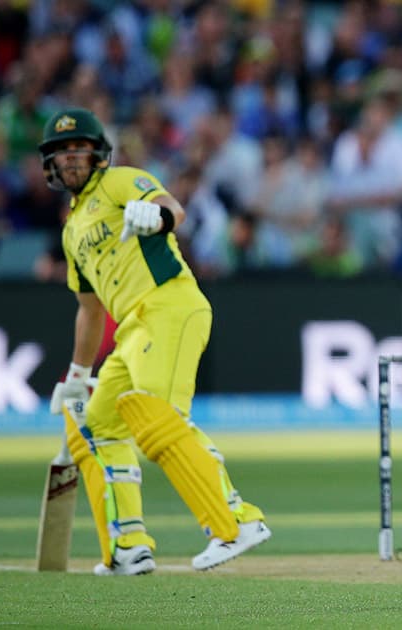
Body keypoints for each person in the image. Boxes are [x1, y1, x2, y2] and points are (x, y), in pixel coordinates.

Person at [40, 107, 271, 576]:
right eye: (61, 151)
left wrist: (156, 218)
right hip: (130, 329)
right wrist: (78, 376)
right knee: (97, 424)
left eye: (78, 147)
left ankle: (234, 521)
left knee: (154, 415)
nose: (70, 158)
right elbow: (89, 310)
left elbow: (173, 208)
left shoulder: (121, 181)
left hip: (170, 305)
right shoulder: (71, 231)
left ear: (98, 153)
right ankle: (127, 545)